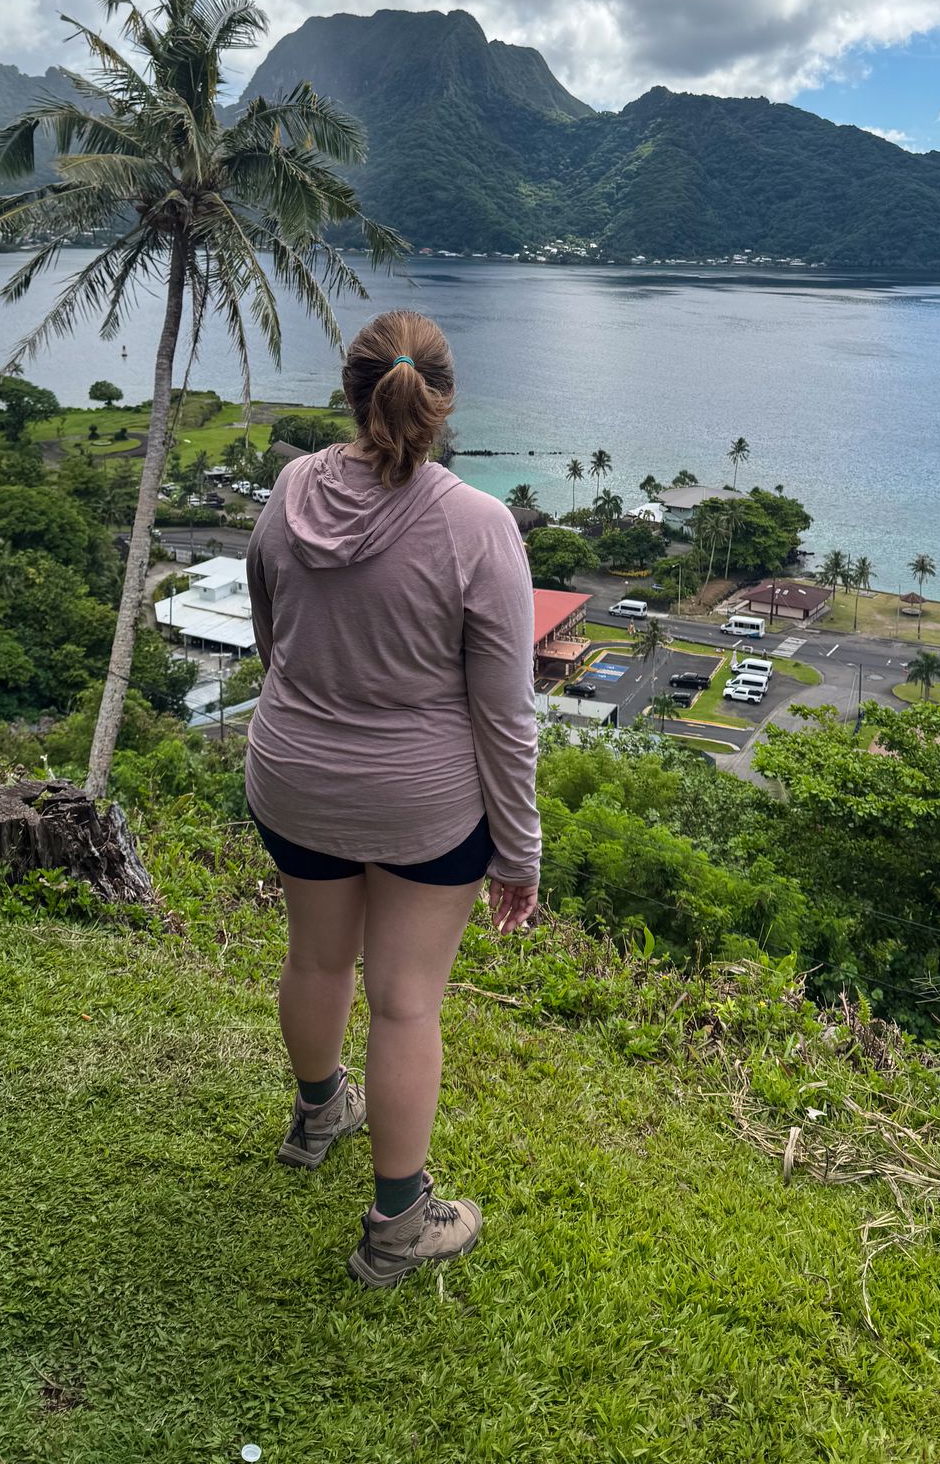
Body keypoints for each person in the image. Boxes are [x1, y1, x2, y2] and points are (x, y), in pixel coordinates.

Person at [244, 309, 541, 1288]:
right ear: (442, 401)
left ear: (351, 390)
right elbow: (505, 716)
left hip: (292, 776)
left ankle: (320, 1110)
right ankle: (398, 1226)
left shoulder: (291, 488)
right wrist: (519, 851)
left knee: (316, 959)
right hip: (424, 806)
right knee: (407, 1005)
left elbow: (268, 625)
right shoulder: (477, 525)